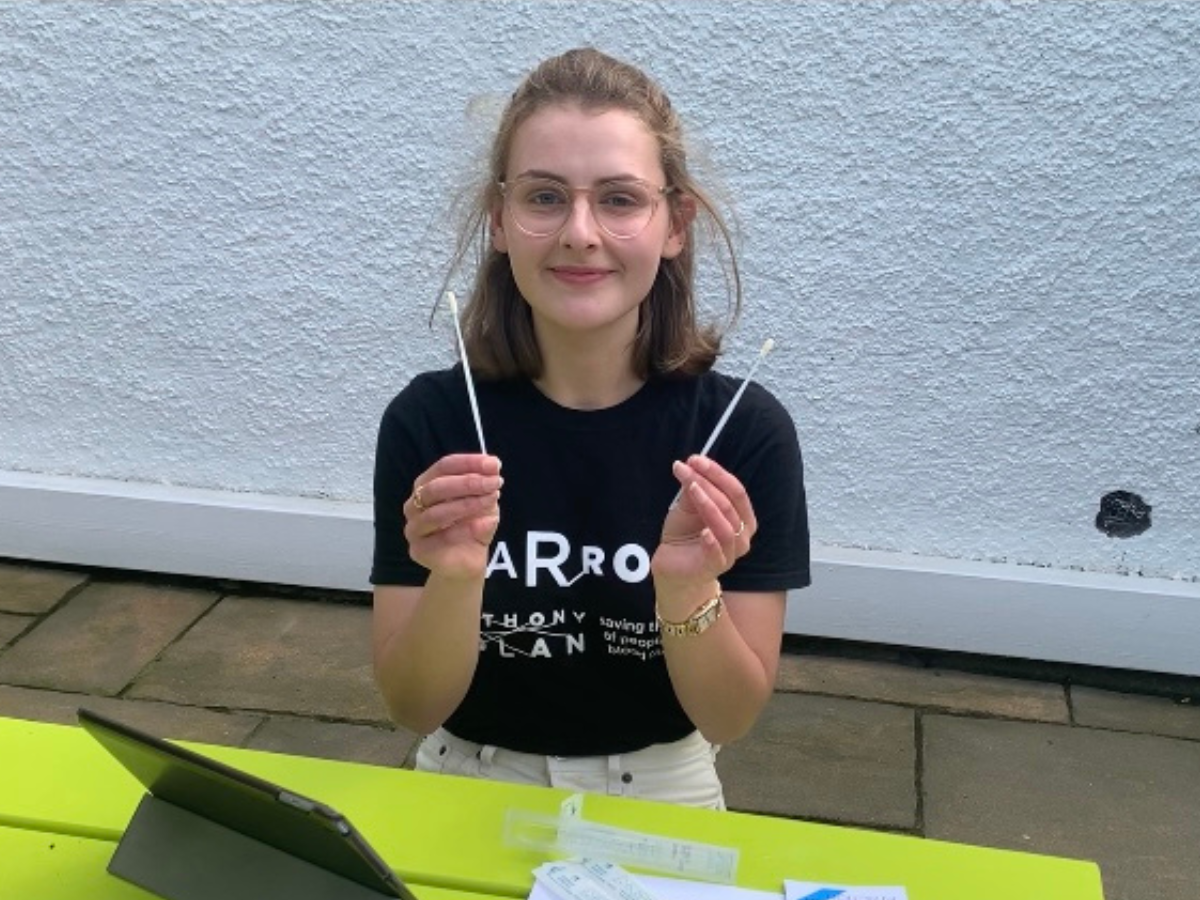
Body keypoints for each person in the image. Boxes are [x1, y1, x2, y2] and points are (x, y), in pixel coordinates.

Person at [371, 47, 809, 809]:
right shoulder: (432, 421)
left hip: (660, 789)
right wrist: (455, 576)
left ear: (675, 223)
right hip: (463, 779)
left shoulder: (742, 432)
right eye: (544, 197)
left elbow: (729, 717)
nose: (579, 232)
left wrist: (685, 588)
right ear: (499, 221)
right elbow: (414, 707)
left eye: (618, 199)